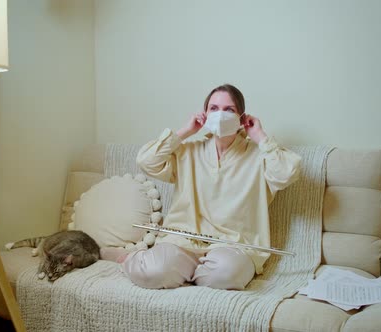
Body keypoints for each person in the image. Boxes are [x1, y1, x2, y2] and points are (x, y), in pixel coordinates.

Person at [104, 84, 301, 290]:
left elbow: (286, 173)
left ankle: (187, 273)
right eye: (214, 109)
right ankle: (135, 259)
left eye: (229, 110)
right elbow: (146, 161)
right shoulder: (188, 151)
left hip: (234, 246)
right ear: (205, 115)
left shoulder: (260, 156)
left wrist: (260, 136)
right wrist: (185, 131)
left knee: (227, 275)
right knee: (154, 272)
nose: (221, 114)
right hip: (183, 241)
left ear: (242, 118)